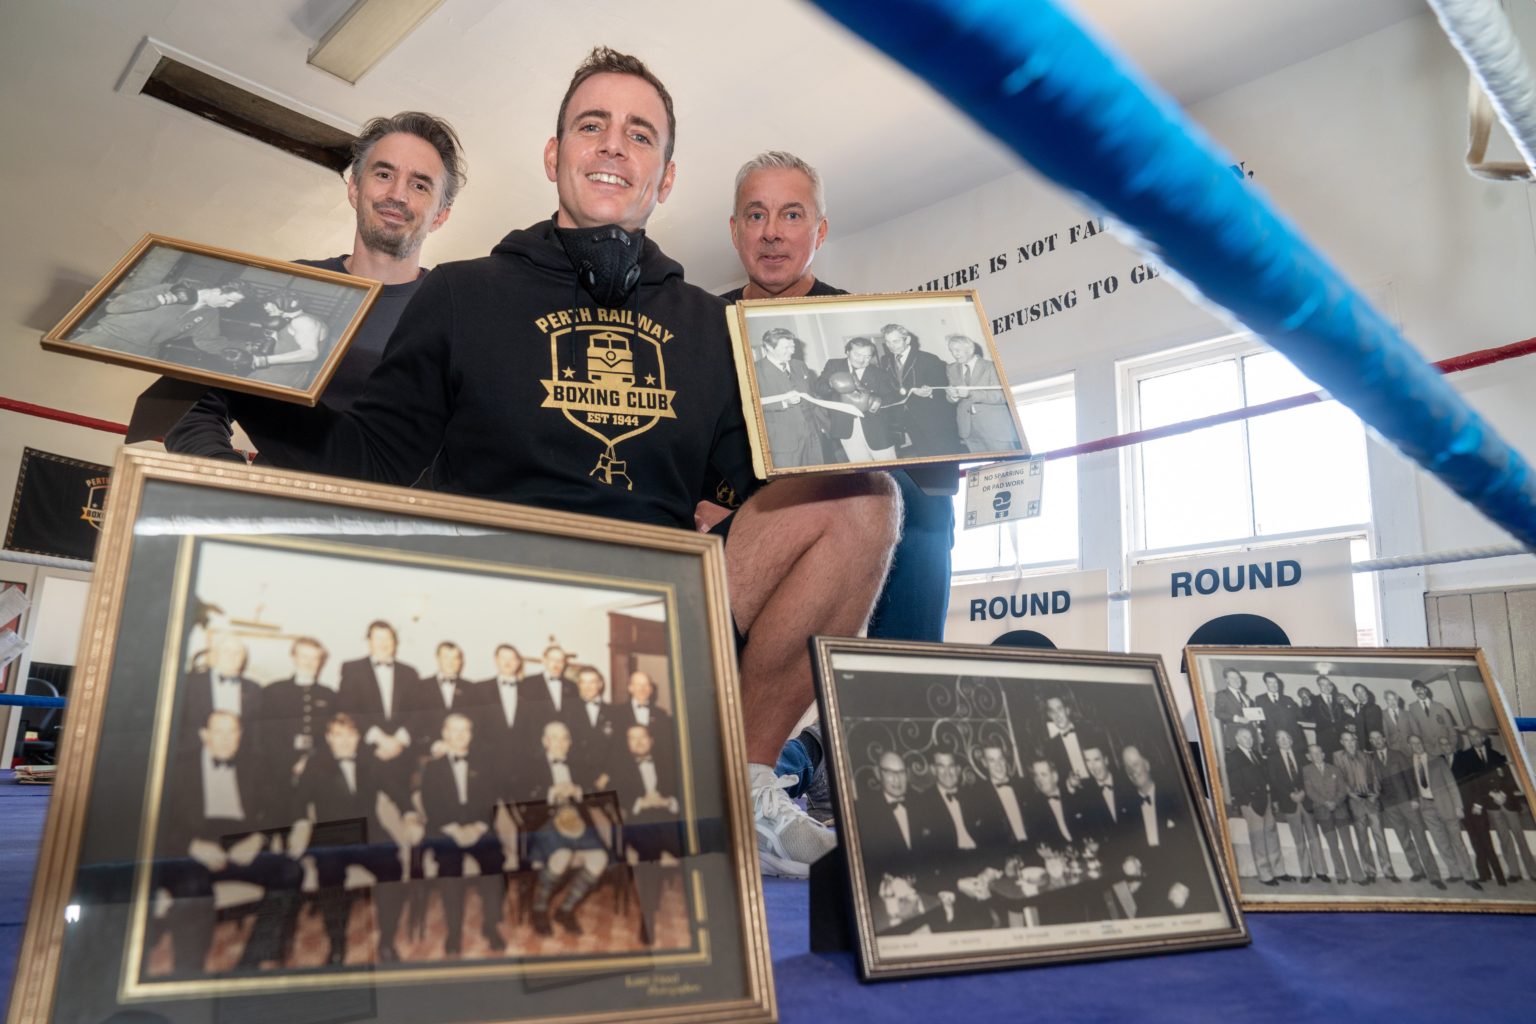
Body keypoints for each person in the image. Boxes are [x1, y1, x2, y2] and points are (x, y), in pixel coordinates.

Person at [221, 49, 900, 879]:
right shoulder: (460, 293)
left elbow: (749, 482)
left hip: (659, 614)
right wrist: (241, 387)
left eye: (639, 134)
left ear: (666, 176)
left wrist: (877, 423)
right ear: (554, 156)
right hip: (502, 619)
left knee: (863, 499)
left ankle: (745, 781)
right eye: (592, 126)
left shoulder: (709, 326)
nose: (614, 144)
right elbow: (371, 461)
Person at [718, 150, 958, 813]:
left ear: (819, 231)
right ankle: (802, 755)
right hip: (738, 525)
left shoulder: (861, 330)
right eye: (756, 215)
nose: (772, 232)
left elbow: (901, 436)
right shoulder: (696, 325)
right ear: (735, 230)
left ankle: (897, 723)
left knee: (921, 501)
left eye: (792, 215)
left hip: (845, 509)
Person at [158, 111, 465, 454]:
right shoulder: (283, 285)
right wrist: (226, 474)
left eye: (419, 185)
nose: (397, 194)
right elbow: (188, 407)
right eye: (383, 174)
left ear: (441, 214)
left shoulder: (459, 320)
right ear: (354, 188)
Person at [156, 710, 303, 975]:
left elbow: (279, 806)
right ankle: (189, 971)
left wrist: (258, 838)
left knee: (290, 871)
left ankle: (251, 962)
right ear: (205, 735)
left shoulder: (255, 763)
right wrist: (192, 846)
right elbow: (159, 819)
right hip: (194, 847)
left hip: (241, 845)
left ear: (240, 735)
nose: (226, 739)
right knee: (192, 886)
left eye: (232, 732)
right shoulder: (177, 767)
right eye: (219, 732)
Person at [292, 712, 409, 963]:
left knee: (393, 868)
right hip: (331, 836)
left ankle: (386, 942)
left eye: (350, 735)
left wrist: (409, 813)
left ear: (358, 737)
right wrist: (300, 825)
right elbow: (298, 802)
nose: (344, 741)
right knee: (330, 878)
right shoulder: (315, 765)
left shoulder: (370, 761)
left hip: (369, 833)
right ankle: (337, 945)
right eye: (338, 735)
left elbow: (397, 791)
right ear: (328, 738)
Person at [417, 713, 508, 955]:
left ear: (471, 734)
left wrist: (478, 827)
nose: (460, 736)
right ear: (444, 734)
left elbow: (490, 800)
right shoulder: (433, 768)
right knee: (450, 869)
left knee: (494, 864)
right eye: (454, 730)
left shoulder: (485, 763)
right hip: (447, 830)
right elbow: (430, 804)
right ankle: (454, 931)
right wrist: (454, 829)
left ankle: (490, 926)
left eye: (465, 730)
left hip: (479, 827)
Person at [74, 283, 245, 359]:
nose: (229, 306)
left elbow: (208, 342)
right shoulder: (169, 288)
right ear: (217, 290)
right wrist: (161, 299)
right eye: (229, 300)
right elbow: (115, 307)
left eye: (234, 304)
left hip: (143, 349)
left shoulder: (211, 315)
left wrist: (242, 350)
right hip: (110, 334)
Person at [1454, 726, 1534, 884]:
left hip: (1507, 802)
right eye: (1471, 736)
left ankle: (1533, 871)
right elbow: (1473, 785)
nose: (1474, 738)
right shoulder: (1466, 758)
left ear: (1483, 737)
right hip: (1491, 805)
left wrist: (1503, 794)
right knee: (1504, 839)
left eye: (1477, 735)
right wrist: (1491, 794)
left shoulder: (1496, 755)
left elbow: (1508, 778)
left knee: (1520, 838)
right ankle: (1514, 872)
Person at [878, 323, 964, 458]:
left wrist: (930, 391)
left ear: (907, 339)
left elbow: (944, 385)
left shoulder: (928, 358)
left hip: (934, 418)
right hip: (908, 418)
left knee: (946, 453)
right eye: (888, 342)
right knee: (924, 454)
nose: (891, 346)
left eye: (896, 341)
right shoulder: (885, 360)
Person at [1371, 728, 1441, 887]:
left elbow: (1409, 777)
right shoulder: (1372, 760)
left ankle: (1434, 875)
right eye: (1373, 739)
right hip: (1390, 806)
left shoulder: (1398, 754)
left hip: (1407, 802)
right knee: (1404, 839)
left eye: (1379, 738)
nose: (1377, 741)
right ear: (1371, 742)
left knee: (1420, 837)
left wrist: (1414, 798)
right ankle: (1417, 871)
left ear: (1384, 738)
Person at [813, 337, 901, 461]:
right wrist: (831, 383)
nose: (861, 360)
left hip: (877, 428)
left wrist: (876, 402)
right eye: (857, 354)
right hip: (847, 427)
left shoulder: (880, 373)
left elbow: (892, 397)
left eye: (867, 356)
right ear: (847, 352)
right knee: (861, 466)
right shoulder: (834, 365)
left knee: (889, 465)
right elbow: (818, 387)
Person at [261, 635, 334, 781]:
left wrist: (311, 761)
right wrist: (290, 761)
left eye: (314, 658)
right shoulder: (273, 691)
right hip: (279, 767)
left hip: (318, 767)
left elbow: (329, 735)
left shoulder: (329, 694)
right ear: (294, 658)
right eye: (304, 657)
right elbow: (267, 735)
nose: (309, 663)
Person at [1408, 733, 1478, 886]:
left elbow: (1451, 784)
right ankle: (1454, 872)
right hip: (1426, 807)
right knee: (1441, 842)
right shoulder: (1409, 763)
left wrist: (1458, 806)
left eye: (1418, 742)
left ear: (1423, 743)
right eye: (1413, 743)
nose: (1417, 746)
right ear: (1409, 746)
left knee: (1457, 842)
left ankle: (1469, 876)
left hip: (1446, 805)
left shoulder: (1437, 760)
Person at [752, 327, 825, 469]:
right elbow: (750, 405)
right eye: (786, 347)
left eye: (793, 346)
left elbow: (811, 396)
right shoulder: (755, 370)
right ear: (768, 347)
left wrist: (821, 424)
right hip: (782, 440)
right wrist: (783, 402)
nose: (791, 351)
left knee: (818, 475)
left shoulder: (799, 365)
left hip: (812, 435)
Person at [1225, 726, 1284, 885]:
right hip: (1251, 803)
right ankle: (1265, 876)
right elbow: (1235, 784)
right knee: (1258, 839)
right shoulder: (1232, 757)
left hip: (1266, 799)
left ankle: (1279, 871)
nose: (1249, 740)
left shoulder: (1256, 754)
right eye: (1245, 737)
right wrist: (1248, 801)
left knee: (1271, 835)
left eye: (1250, 737)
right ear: (1237, 739)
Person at [1333, 729, 1393, 882]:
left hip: (1371, 801)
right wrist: (1353, 795)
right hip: (1356, 802)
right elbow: (1341, 780)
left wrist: (1375, 794)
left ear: (1356, 741)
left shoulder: (1366, 756)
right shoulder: (1338, 758)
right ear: (1341, 742)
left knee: (1379, 836)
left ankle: (1388, 870)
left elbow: (1375, 776)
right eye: (1346, 740)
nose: (1350, 743)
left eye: (1352, 740)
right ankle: (1370, 871)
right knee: (1362, 838)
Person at [1302, 741, 1363, 885]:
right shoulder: (1306, 771)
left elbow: (1342, 789)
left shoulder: (1334, 769)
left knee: (1347, 843)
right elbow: (1310, 791)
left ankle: (1357, 875)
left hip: (1340, 810)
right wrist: (1325, 803)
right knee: (1333, 845)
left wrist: (1335, 802)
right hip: (1323, 812)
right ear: (1309, 757)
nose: (1317, 755)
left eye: (1319, 752)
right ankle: (1341, 875)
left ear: (1323, 754)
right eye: (1313, 753)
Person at [944, 334, 1016, 453]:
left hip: (995, 428)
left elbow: (1002, 396)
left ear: (970, 349)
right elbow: (950, 398)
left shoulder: (991, 366)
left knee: (1008, 461)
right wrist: (953, 395)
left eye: (957, 350)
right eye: (951, 351)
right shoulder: (951, 368)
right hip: (968, 429)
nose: (954, 354)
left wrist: (971, 393)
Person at [1264, 729, 1317, 883]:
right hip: (1289, 802)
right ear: (1276, 742)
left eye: (1286, 737)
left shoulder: (1301, 756)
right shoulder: (1272, 760)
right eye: (1280, 738)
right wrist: (1290, 794)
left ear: (1291, 740)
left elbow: (1309, 776)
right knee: (1299, 839)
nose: (1283, 741)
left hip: (1306, 800)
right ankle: (1306, 872)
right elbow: (1274, 781)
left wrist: (1303, 792)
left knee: (1314, 838)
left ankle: (1321, 871)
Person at [1405, 678, 1460, 753]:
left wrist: (1452, 744)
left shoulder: (1439, 706)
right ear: (1414, 692)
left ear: (1425, 690)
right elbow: (1416, 731)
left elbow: (1450, 728)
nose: (1419, 692)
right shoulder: (1412, 708)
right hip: (1429, 749)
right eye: (1416, 690)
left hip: (1446, 746)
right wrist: (1424, 748)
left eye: (1420, 689)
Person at [1255, 672, 1303, 753]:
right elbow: (1258, 720)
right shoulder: (1259, 699)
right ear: (1266, 684)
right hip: (1272, 738)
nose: (1273, 685)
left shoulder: (1288, 699)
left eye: (1275, 682)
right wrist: (1259, 733)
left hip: (1290, 738)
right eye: (1270, 682)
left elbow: (1299, 715)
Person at [1213, 668, 1255, 753]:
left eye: (1238, 677)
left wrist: (1257, 731)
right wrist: (1237, 718)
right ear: (1227, 680)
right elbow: (1218, 713)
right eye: (1232, 678)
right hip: (1235, 734)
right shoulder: (1222, 694)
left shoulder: (1246, 696)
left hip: (1251, 733)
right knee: (1240, 758)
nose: (1236, 680)